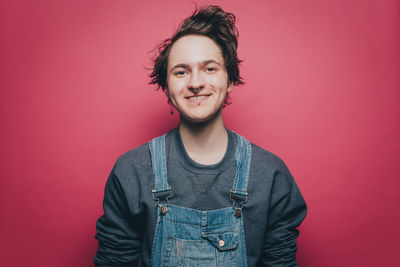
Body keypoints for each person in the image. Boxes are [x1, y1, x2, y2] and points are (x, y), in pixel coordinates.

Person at [94, 5, 307, 267]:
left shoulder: (271, 175)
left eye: (209, 69)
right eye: (181, 71)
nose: (195, 83)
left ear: (229, 79)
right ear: (166, 86)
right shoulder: (132, 171)